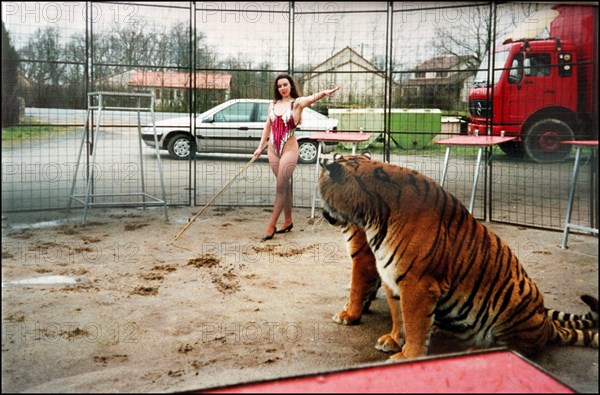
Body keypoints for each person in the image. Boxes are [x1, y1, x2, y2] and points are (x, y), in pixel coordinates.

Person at [253, 74, 339, 241]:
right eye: (279, 86)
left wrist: (324, 93)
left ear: (291, 85)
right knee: (285, 185)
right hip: (272, 149)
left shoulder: (297, 103)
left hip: (289, 149)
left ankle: (271, 225)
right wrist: (259, 147)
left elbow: (311, 98)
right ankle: (288, 221)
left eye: (285, 85)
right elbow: (267, 126)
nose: (283, 88)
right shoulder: (273, 104)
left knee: (280, 187)